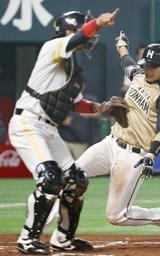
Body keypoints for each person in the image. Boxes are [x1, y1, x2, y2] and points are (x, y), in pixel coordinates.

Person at [8, 8, 119, 255]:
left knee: (77, 180)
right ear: (68, 30)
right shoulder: (54, 46)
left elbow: (77, 104)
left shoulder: (73, 71)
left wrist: (104, 108)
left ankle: (63, 239)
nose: (86, 37)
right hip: (28, 124)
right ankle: (28, 239)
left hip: (49, 129)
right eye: (79, 30)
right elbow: (77, 38)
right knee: (49, 178)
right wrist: (97, 23)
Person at [76, 32, 160, 235]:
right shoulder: (139, 74)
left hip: (134, 156)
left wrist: (152, 156)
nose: (148, 69)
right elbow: (126, 60)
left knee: (116, 216)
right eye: (146, 64)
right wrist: (121, 44)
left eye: (153, 66)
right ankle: (60, 232)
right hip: (110, 144)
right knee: (73, 174)